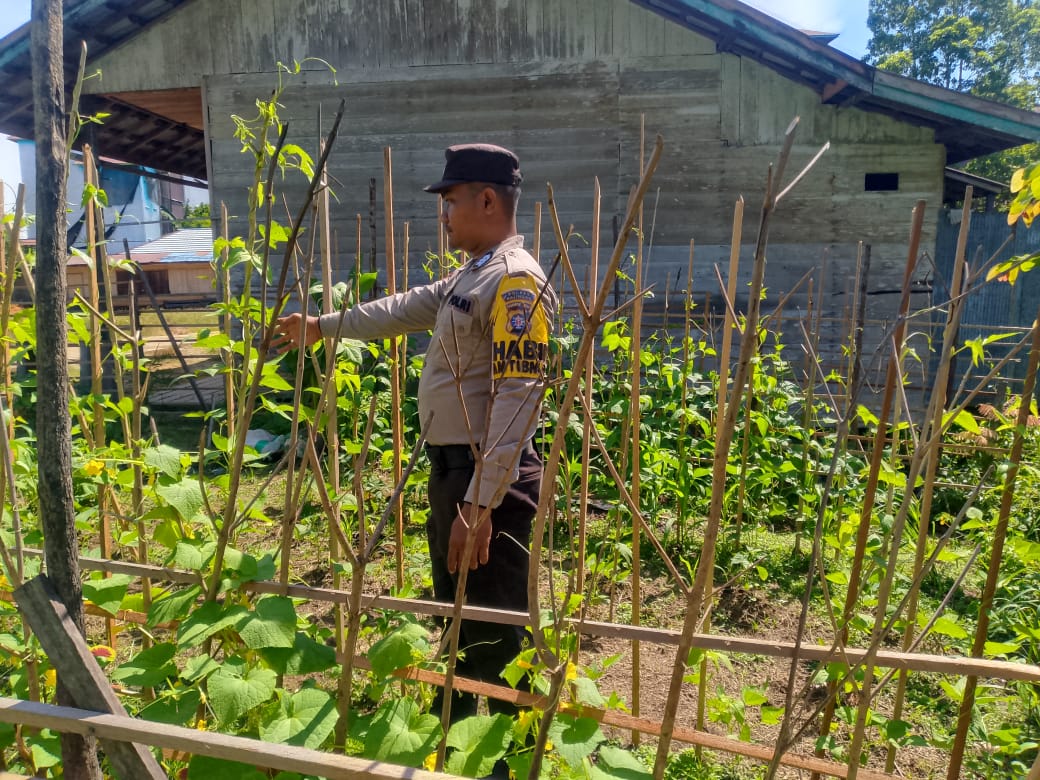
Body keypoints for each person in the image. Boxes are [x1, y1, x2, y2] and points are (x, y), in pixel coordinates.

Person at [273, 143, 557, 721]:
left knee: (496, 629)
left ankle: (509, 749)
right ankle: (453, 735)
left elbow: (519, 397)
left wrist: (480, 501)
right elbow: (403, 308)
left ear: (486, 200)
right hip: (458, 475)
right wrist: (323, 325)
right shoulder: (475, 274)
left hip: (488, 482)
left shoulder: (515, 283)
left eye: (450, 201)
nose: (443, 215)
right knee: (457, 618)